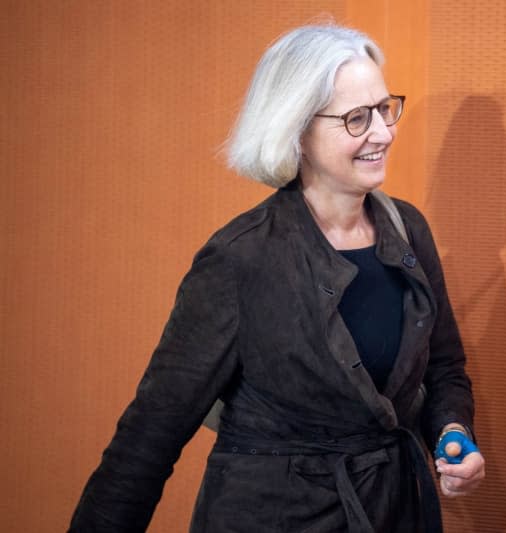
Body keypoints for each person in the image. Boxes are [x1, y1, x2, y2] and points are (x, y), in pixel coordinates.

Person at [69, 23, 484, 532]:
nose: (383, 132)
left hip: (392, 512)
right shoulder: (240, 258)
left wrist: (451, 429)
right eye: (356, 118)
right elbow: (149, 437)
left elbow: (444, 368)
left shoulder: (407, 229)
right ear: (297, 131)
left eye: (383, 108)